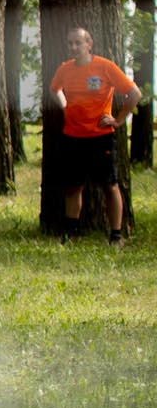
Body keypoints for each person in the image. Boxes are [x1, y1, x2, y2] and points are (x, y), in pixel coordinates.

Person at [48, 26, 142, 245]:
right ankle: (71, 233)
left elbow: (134, 93)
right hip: (73, 136)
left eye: (78, 43)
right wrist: (65, 106)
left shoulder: (105, 67)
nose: (74, 47)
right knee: (73, 187)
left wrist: (118, 120)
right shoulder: (65, 69)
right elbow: (54, 89)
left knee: (110, 186)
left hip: (101, 137)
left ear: (89, 44)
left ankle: (116, 235)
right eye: (70, 43)